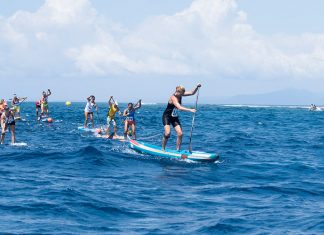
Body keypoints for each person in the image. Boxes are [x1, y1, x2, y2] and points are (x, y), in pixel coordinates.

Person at [162, 84, 201, 151]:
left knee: (180, 134)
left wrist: (197, 87)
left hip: (174, 117)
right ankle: (163, 149)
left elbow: (192, 93)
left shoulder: (180, 94)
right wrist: (190, 110)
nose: (182, 95)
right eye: (182, 94)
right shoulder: (173, 98)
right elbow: (179, 107)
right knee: (167, 133)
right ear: (178, 92)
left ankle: (177, 150)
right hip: (167, 116)